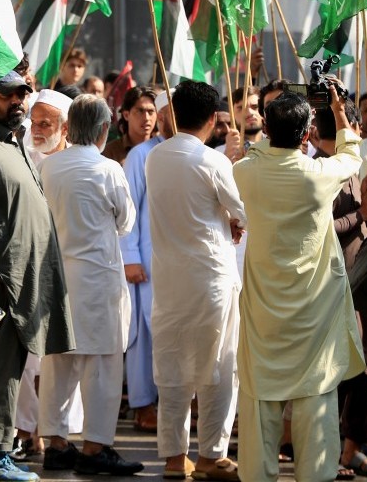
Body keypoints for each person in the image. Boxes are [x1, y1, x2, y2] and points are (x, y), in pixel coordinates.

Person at [233, 87, 365, 482]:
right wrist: (340, 112)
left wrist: (257, 145)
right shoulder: (317, 175)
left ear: (267, 130)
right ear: (307, 134)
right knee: (315, 407)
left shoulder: (245, 171)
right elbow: (351, 155)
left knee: (259, 411)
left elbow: (248, 156)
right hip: (313, 315)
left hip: (264, 317)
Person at [0, 70, 74, 482]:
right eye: (7, 95)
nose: (17, 101)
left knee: (10, 369)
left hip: (23, 278)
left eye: (22, 93)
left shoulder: (13, 141)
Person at [145, 80, 246, 481]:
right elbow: (243, 211)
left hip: (170, 281)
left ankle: (174, 457)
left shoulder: (155, 158)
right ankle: (210, 455)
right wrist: (233, 220)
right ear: (212, 119)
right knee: (218, 368)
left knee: (172, 370)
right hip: (211, 281)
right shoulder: (212, 161)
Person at [38, 95, 142, 475]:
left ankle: (56, 442)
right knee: (101, 366)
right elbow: (126, 221)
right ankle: (95, 446)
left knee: (58, 363)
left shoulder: (49, 167)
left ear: (68, 127)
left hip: (58, 274)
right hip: (97, 277)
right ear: (103, 130)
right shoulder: (107, 169)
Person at [310, 103, 367, 474]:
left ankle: (352, 447)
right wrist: (362, 210)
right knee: (335, 368)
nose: (354, 132)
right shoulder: (321, 170)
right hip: (330, 283)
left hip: (364, 279)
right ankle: (330, 450)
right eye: (347, 126)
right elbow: (323, 225)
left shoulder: (352, 166)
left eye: (354, 125)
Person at [119, 91, 175, 434]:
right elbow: (129, 212)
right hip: (147, 261)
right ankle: (143, 404)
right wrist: (130, 257)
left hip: (179, 263)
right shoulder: (141, 155)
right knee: (143, 335)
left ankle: (173, 403)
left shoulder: (191, 154)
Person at [103, 86, 156, 166]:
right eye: (140, 111)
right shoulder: (110, 152)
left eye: (151, 111)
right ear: (126, 115)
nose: (146, 118)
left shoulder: (163, 150)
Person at [27, 89, 71, 162]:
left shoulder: (76, 162)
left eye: (44, 124)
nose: (35, 130)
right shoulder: (23, 157)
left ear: (65, 128)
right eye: (33, 121)